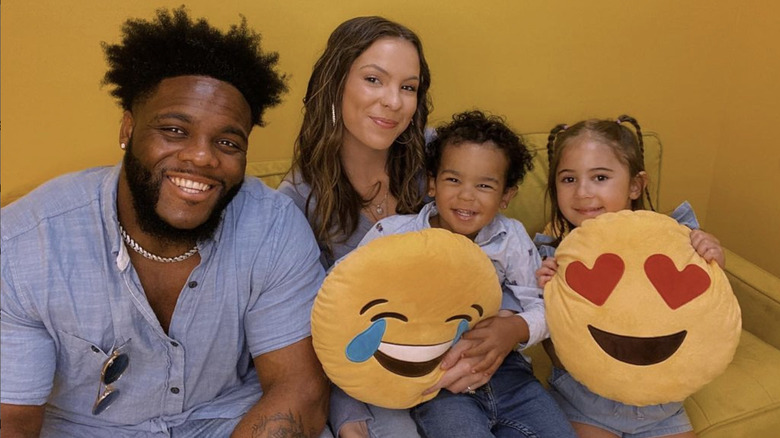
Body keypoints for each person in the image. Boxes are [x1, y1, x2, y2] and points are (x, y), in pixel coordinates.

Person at [0, 7, 329, 438]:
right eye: (175, 130)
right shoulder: (26, 243)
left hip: (232, 423)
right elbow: (12, 420)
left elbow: (299, 388)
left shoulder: (273, 227)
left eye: (228, 142)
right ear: (128, 129)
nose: (202, 156)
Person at [359, 110, 577, 438]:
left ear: (506, 196)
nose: (466, 195)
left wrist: (515, 328)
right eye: (453, 180)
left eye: (485, 185)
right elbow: (346, 292)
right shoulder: (394, 236)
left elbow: (547, 304)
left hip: (510, 374)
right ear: (432, 182)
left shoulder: (510, 239)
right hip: (440, 384)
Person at [278, 16, 430, 438]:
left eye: (408, 87)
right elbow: (315, 333)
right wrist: (348, 416)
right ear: (335, 83)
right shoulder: (296, 201)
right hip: (367, 380)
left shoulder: (438, 165)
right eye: (374, 80)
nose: (393, 102)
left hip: (447, 357)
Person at [535, 115, 725, 438]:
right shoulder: (555, 252)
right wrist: (544, 288)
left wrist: (714, 257)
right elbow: (551, 333)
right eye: (568, 179)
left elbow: (708, 309)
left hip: (662, 407)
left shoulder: (673, 240)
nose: (582, 192)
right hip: (584, 402)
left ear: (635, 185)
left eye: (599, 177)